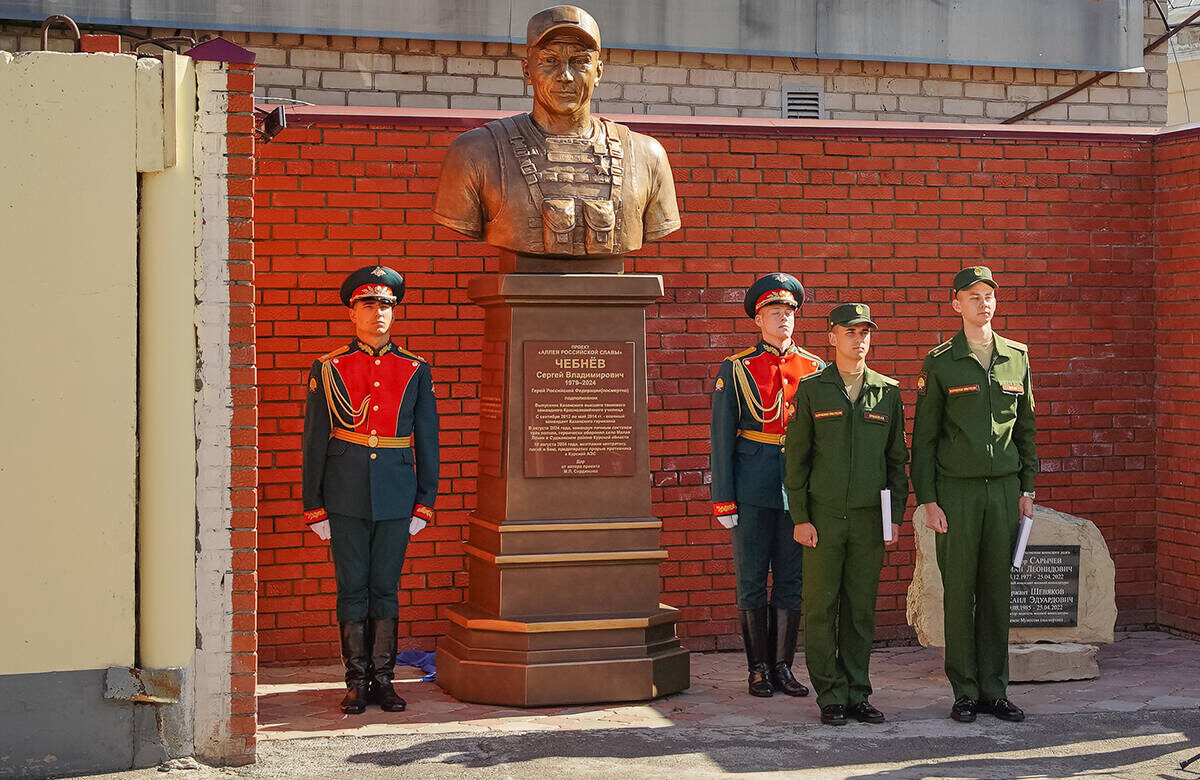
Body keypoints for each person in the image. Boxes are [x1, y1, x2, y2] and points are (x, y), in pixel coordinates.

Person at [432, 4, 680, 258]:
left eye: (580, 61)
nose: (565, 76)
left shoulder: (646, 156)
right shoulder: (476, 153)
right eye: (549, 60)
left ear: (599, 72)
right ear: (527, 70)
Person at [301, 265, 440, 715]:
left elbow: (428, 438)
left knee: (385, 587)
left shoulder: (414, 368)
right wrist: (313, 505)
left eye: (386, 305)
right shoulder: (329, 367)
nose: (379, 312)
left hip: (397, 492)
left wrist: (425, 499)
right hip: (344, 493)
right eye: (369, 304)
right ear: (351, 311)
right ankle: (356, 681)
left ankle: (384, 680)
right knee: (351, 588)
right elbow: (313, 440)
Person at [911, 266, 1037, 724]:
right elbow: (923, 438)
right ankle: (964, 690)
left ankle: (995, 690)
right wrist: (928, 499)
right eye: (973, 296)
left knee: (997, 593)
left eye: (989, 296)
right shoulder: (941, 361)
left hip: (1004, 492)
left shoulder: (1016, 357)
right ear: (955, 304)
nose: (983, 303)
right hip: (957, 493)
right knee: (959, 593)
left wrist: (1027, 488)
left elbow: (1026, 429)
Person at [784, 303, 907, 726]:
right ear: (832, 337)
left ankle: (857, 692)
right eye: (850, 332)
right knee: (821, 607)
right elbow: (796, 462)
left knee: (860, 610)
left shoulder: (887, 391)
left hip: (869, 520)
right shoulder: (812, 389)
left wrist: (895, 516)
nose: (859, 339)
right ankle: (830, 695)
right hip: (822, 520)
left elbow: (896, 461)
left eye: (865, 332)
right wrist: (800, 516)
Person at [710, 272, 824, 698]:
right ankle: (757, 668)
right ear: (758, 319)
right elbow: (721, 439)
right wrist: (724, 500)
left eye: (790, 312)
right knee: (752, 580)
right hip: (752, 487)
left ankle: (783, 667)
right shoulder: (737, 368)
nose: (784, 320)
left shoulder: (814, 368)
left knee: (792, 580)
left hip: (798, 493)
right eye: (775, 313)